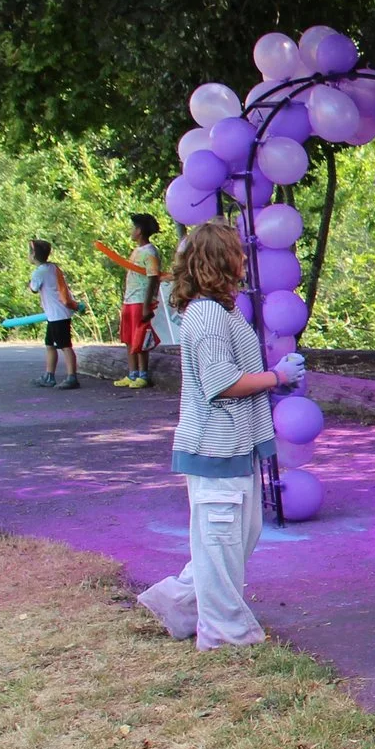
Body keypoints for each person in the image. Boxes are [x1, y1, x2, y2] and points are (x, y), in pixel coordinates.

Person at [137, 219, 304, 649]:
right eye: (238, 251)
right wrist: (275, 377)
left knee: (233, 540)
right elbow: (220, 381)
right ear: (218, 259)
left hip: (234, 444)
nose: (245, 259)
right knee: (221, 541)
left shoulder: (219, 310)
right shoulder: (209, 315)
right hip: (215, 445)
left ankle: (176, 603)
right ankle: (226, 634)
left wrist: (271, 379)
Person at [114, 213, 166, 389]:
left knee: (140, 338)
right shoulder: (136, 251)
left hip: (140, 300)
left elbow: (153, 277)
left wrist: (146, 304)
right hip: (129, 299)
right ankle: (132, 373)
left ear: (140, 230)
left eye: (133, 227)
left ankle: (143, 374)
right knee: (128, 338)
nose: (131, 230)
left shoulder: (150, 252)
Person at [26, 238, 82, 389]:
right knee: (50, 345)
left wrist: (29, 283)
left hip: (58, 315)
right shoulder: (52, 267)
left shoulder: (39, 272)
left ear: (34, 256)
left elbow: (33, 288)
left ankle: (72, 377)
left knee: (65, 346)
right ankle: (49, 375)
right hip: (56, 314)